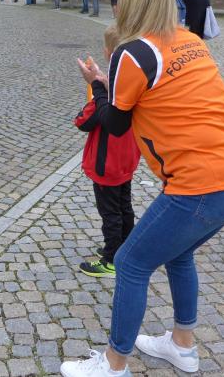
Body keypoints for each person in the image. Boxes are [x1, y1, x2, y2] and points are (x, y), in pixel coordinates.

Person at [60, 0, 224, 377]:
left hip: (203, 181)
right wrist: (109, 84)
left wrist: (98, 85)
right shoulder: (190, 40)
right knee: (179, 252)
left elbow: (115, 123)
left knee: (131, 262)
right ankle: (182, 345)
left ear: (130, 2)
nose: (114, 1)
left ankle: (114, 364)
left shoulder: (131, 51)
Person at [74, 25, 141, 279]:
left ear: (107, 53)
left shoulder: (107, 93)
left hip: (106, 164)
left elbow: (83, 122)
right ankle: (124, 248)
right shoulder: (132, 83)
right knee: (124, 206)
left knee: (110, 213)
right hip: (127, 161)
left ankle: (112, 259)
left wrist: (94, 90)